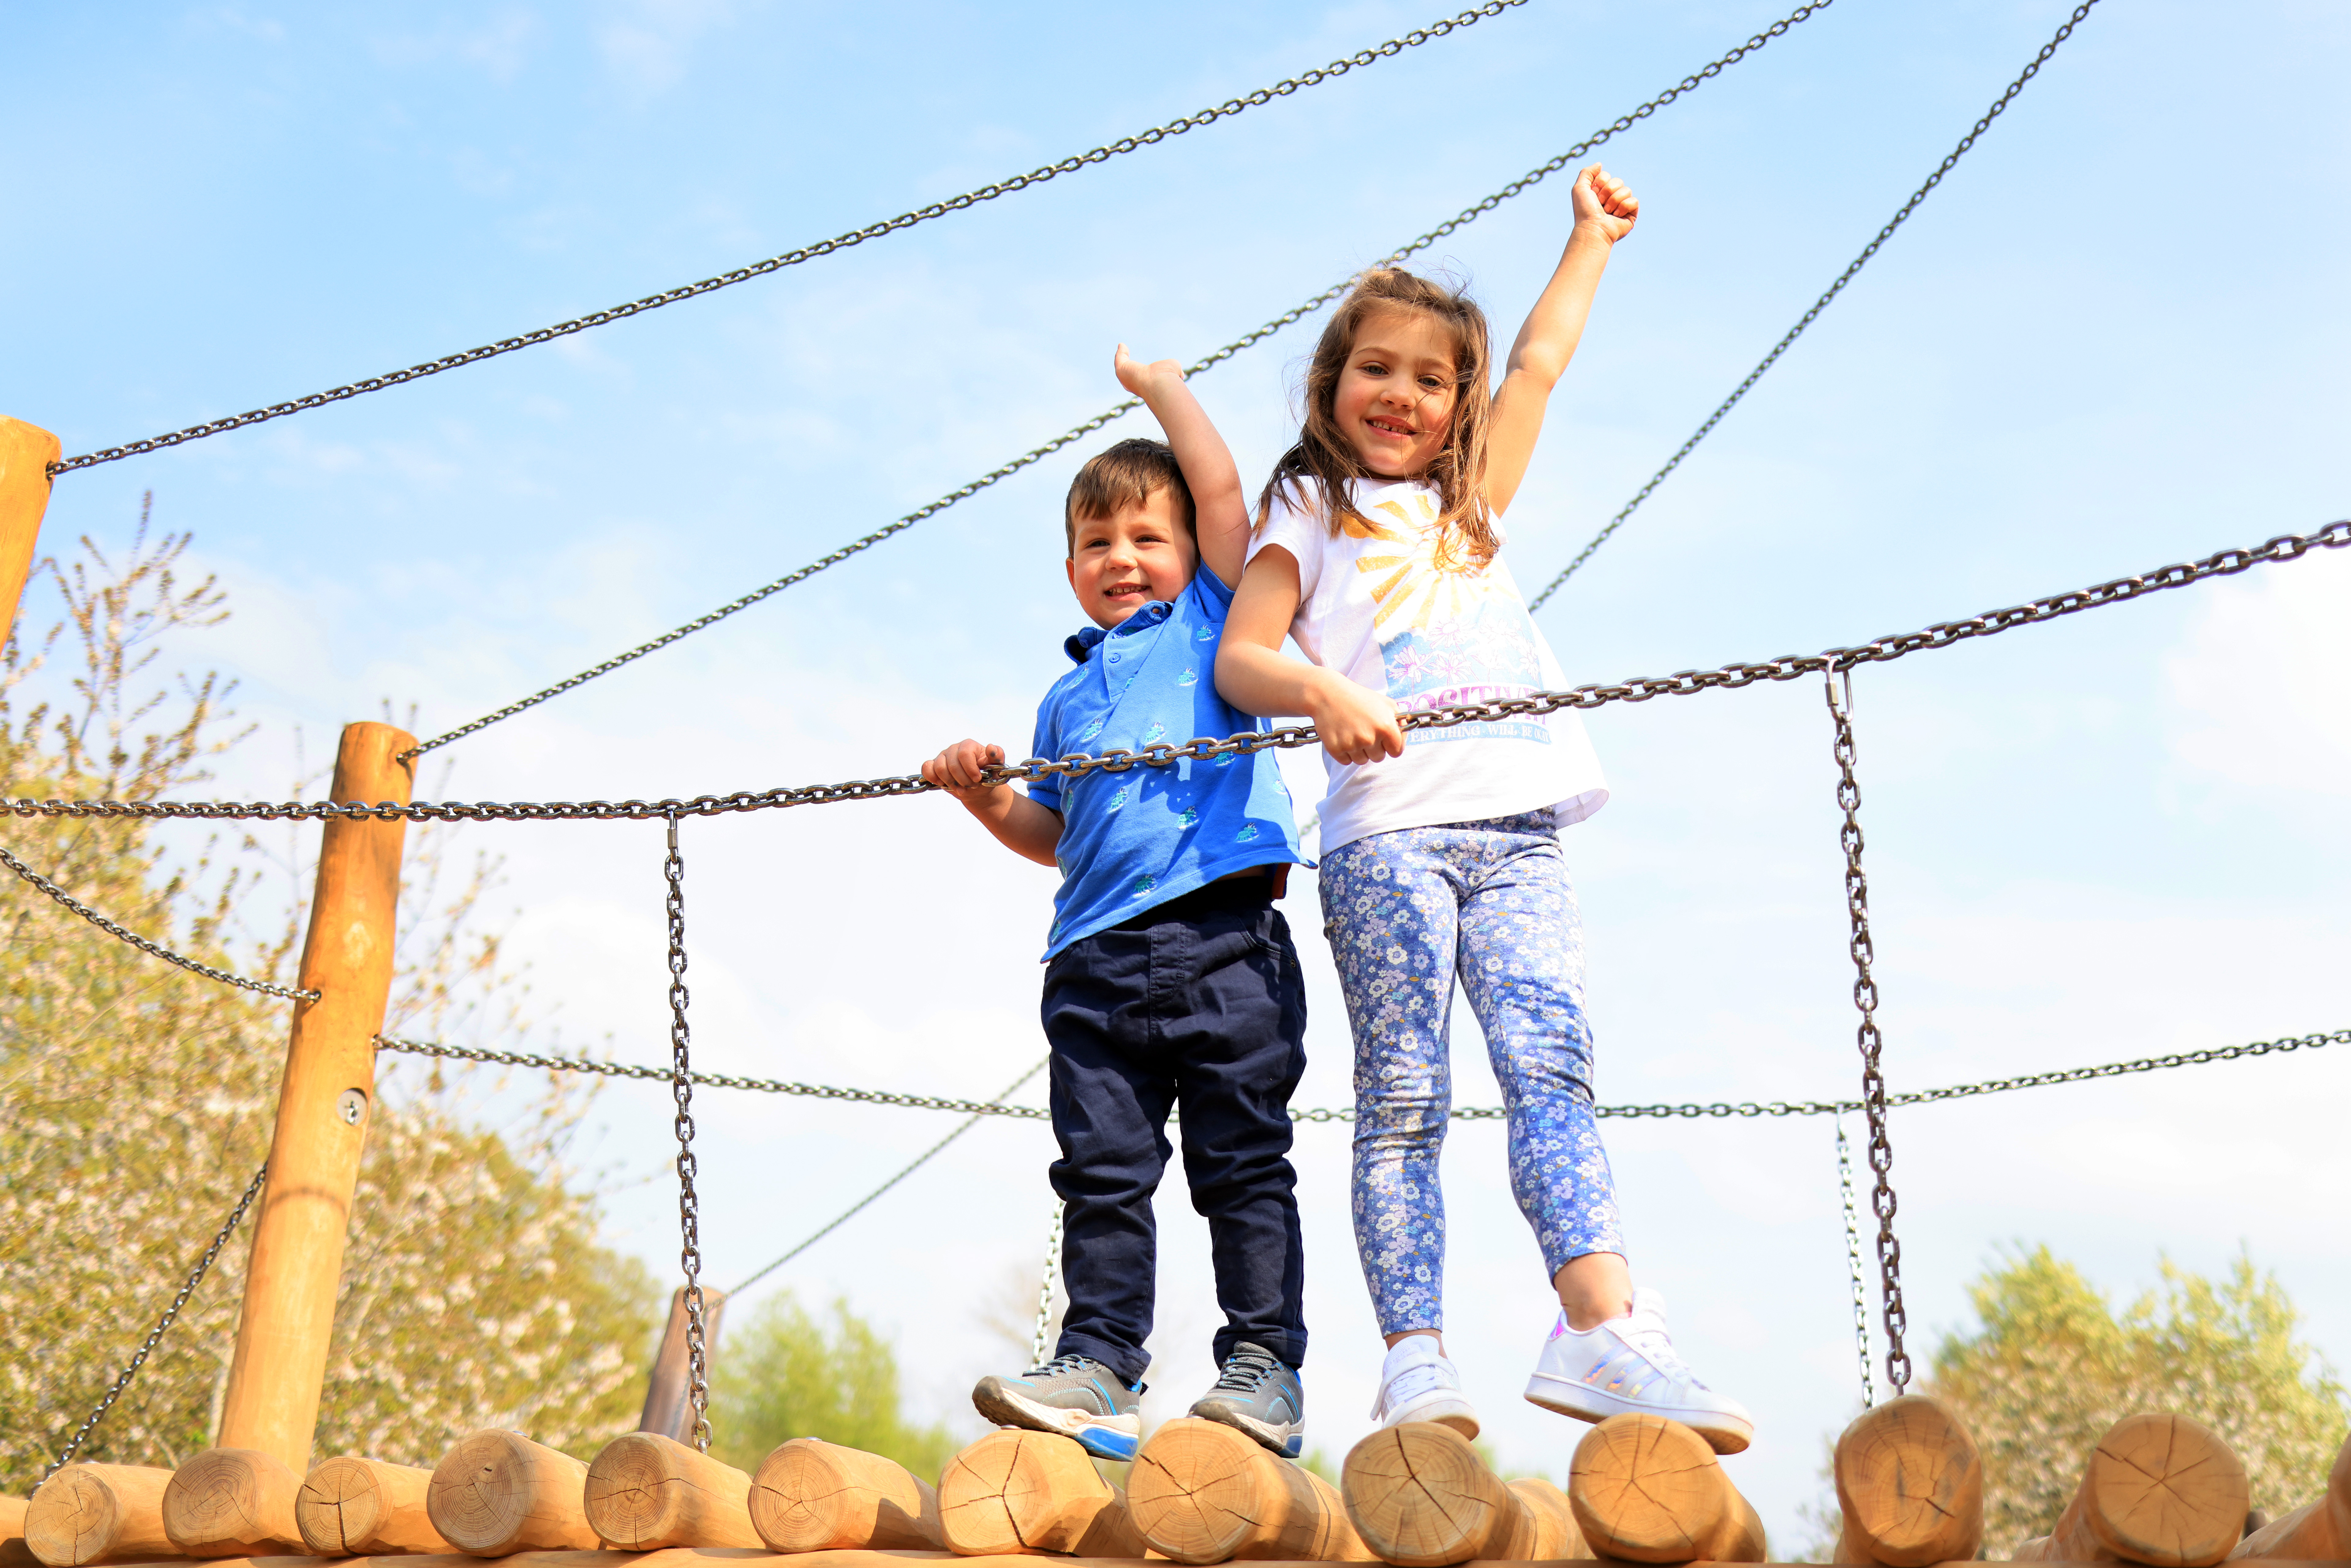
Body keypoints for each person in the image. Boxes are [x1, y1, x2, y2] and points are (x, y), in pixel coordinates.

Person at [1213, 165, 1754, 1454]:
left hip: (1520, 825)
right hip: (1387, 831)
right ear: (1331, 387)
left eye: (1430, 377)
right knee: (1405, 1095)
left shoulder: (1472, 504)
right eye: (1375, 369)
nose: (1402, 393)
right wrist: (1316, 688)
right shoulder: (1310, 504)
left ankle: (1599, 1323)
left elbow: (1542, 369)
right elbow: (1244, 655)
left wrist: (1591, 243)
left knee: (1549, 1064)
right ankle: (1414, 1355)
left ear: (1454, 403)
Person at [920, 347, 1312, 1460]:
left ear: (1194, 553)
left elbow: (1227, 492)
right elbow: (1053, 838)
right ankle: (1099, 1365)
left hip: (1223, 941)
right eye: (1099, 544)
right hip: (1091, 962)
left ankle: (1264, 1366)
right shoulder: (1064, 697)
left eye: (1148, 537)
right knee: (1100, 1176)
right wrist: (984, 795)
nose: (1123, 559)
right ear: (1071, 568)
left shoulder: (1214, 627)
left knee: (1240, 1162)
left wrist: (1165, 394)